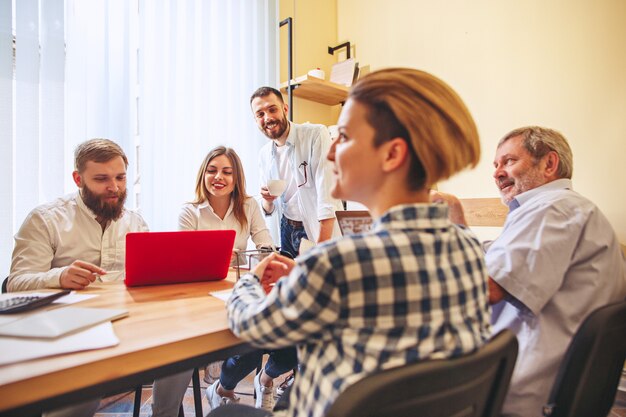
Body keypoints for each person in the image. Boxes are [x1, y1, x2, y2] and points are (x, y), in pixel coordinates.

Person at [211, 68, 492, 417]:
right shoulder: (469, 249)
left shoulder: (338, 262)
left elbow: (251, 324)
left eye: (342, 137)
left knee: (225, 414)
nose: (329, 153)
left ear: (391, 154)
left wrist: (251, 281)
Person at [434, 126, 626, 417]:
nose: (497, 173)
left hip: (520, 391)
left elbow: (488, 289)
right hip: (551, 382)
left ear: (549, 164)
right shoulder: (566, 210)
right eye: (495, 165)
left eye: (509, 161)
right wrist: (459, 222)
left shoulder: (553, 209)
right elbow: (496, 261)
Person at [8, 138, 192, 417]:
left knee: (183, 344)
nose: (114, 187)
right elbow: (15, 284)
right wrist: (60, 276)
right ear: (78, 179)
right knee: (89, 372)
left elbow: (146, 277)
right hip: (70, 325)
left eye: (120, 177)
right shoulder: (45, 219)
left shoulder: (135, 222)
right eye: (102, 179)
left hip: (128, 320)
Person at [178, 146, 298, 411]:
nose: (218, 177)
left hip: (241, 288)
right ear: (203, 175)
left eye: (226, 172)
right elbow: (185, 262)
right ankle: (222, 388)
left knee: (292, 342)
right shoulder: (190, 211)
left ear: (236, 178)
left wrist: (259, 256)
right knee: (250, 345)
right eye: (212, 170)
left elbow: (265, 245)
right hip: (204, 296)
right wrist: (217, 257)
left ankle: (265, 379)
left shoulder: (249, 205)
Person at [250, 86, 343, 258]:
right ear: (255, 120)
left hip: (314, 228)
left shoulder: (315, 135)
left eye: (272, 109)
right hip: (286, 228)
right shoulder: (264, 154)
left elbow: (328, 200)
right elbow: (268, 209)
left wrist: (320, 251)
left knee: (315, 281)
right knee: (289, 283)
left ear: (285, 109)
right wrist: (267, 200)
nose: (268, 118)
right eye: (260, 114)